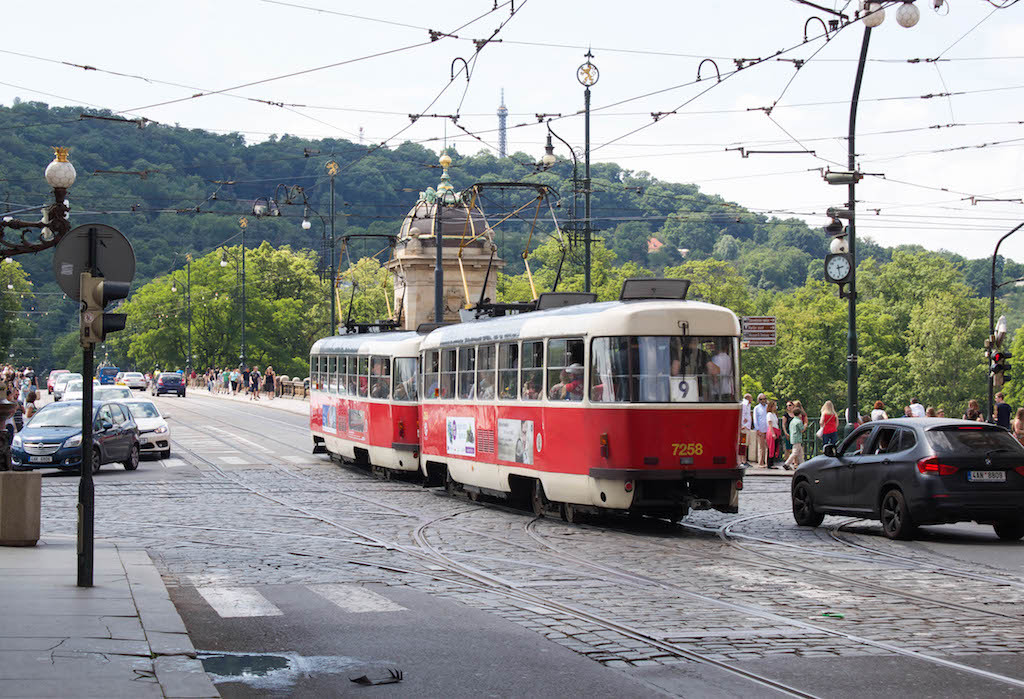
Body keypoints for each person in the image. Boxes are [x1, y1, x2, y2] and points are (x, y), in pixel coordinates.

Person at [753, 393, 768, 467]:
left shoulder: (768, 407)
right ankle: (761, 462)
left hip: (768, 430)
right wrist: (757, 429)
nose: (763, 400)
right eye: (761, 399)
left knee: (767, 446)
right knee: (761, 447)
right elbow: (755, 419)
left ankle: (767, 462)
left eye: (764, 399)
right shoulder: (756, 408)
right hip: (760, 429)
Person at [765, 400, 780, 468]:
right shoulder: (769, 414)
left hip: (776, 430)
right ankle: (769, 463)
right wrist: (773, 433)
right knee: (771, 447)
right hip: (772, 431)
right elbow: (770, 424)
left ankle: (772, 462)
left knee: (775, 447)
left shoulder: (774, 414)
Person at [741, 393, 754, 464]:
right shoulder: (744, 404)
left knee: (745, 444)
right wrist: (743, 425)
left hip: (747, 427)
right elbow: (742, 414)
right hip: (744, 427)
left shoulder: (748, 405)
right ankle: (742, 460)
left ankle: (744, 459)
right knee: (743, 444)